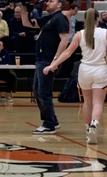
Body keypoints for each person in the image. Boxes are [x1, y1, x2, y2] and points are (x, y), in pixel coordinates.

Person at [44, 8, 107, 144]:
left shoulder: (80, 34)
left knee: (87, 102)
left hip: (84, 70)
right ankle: (94, 125)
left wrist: (53, 65)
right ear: (98, 19)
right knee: (98, 102)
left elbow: (67, 53)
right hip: (101, 69)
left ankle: (87, 129)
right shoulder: (105, 33)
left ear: (85, 19)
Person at [21, 0, 70, 135]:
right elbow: (27, 24)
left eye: (51, 1)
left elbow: (64, 39)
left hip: (48, 60)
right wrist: (24, 8)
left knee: (44, 93)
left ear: (59, 4)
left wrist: (56, 60)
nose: (48, 3)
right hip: (41, 59)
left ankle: (49, 125)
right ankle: (52, 120)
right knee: (37, 91)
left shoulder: (60, 18)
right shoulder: (49, 19)